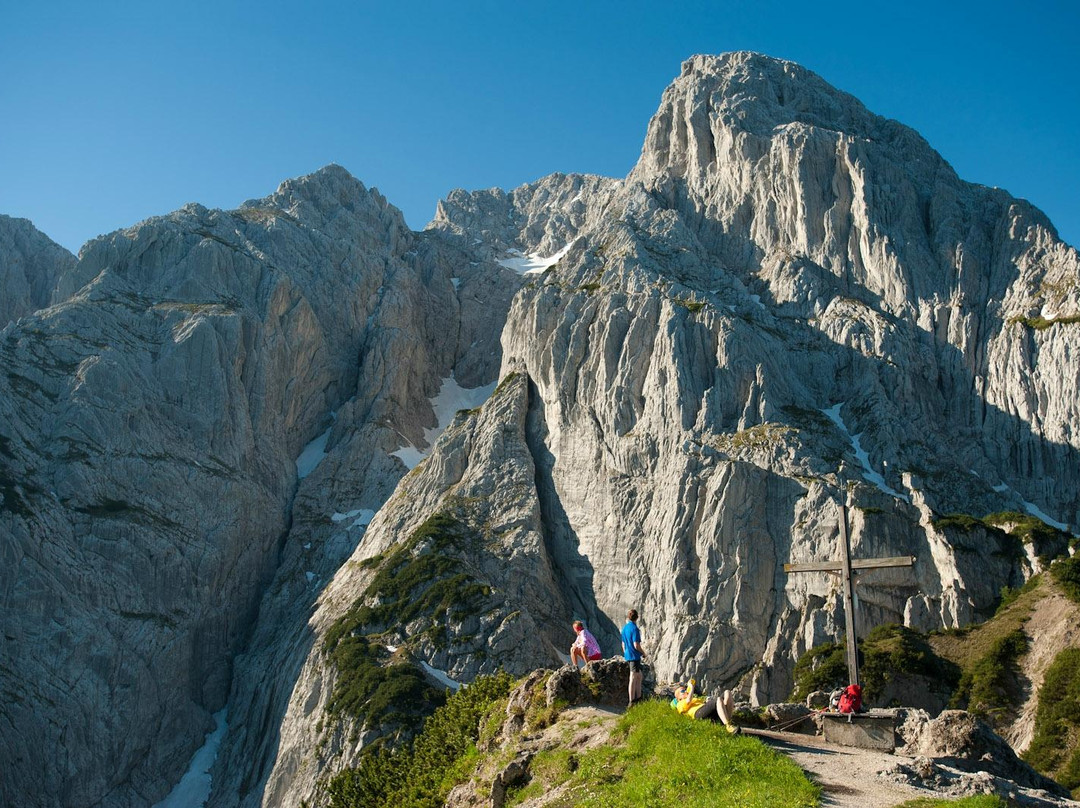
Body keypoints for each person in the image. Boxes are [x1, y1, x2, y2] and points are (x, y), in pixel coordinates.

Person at [671, 678, 740, 733]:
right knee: (717, 700)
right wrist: (691, 687)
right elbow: (688, 700)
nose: (685, 691)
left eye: (685, 690)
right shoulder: (680, 703)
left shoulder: (692, 698)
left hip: (704, 709)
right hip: (698, 713)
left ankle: (729, 721)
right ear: (678, 698)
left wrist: (690, 684)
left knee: (727, 692)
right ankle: (727, 725)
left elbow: (690, 692)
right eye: (682, 691)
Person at [621, 609, 645, 705]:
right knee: (633, 677)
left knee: (639, 676)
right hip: (634, 656)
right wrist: (643, 653)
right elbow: (636, 645)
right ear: (637, 617)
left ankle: (638, 698)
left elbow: (623, 644)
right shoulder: (635, 629)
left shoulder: (625, 628)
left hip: (628, 654)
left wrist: (626, 653)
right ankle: (632, 701)